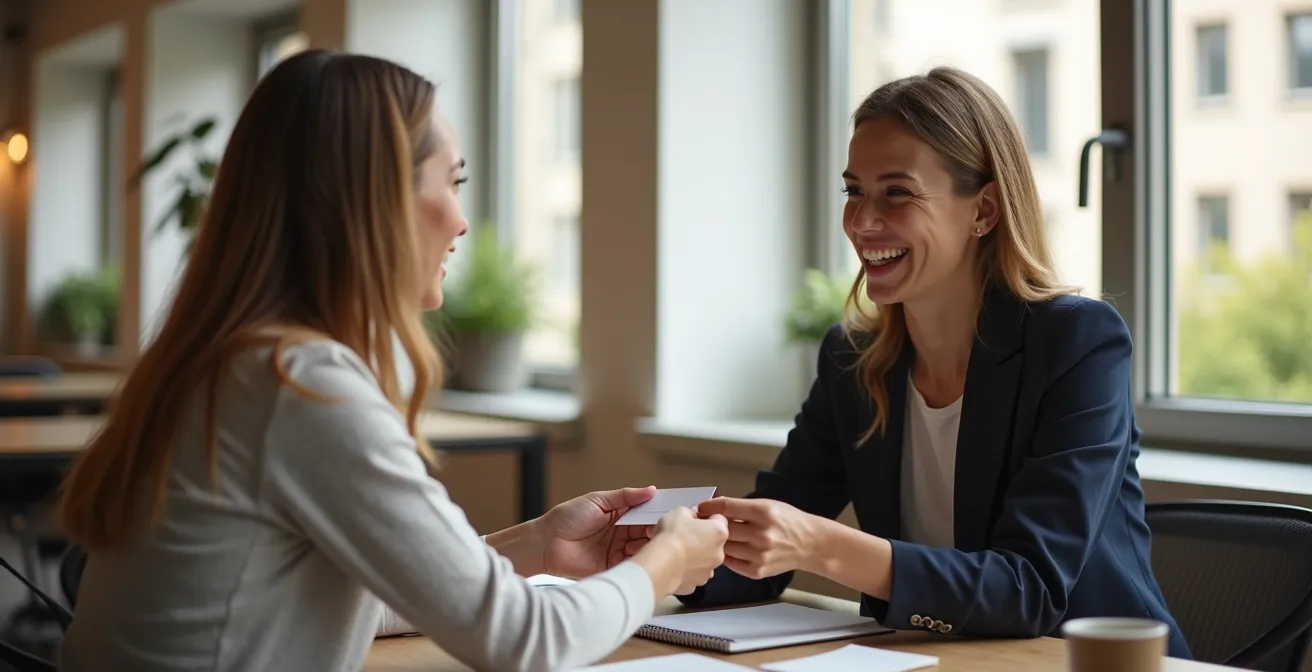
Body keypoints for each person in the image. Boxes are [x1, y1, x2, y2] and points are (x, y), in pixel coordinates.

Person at [54, 49, 728, 672]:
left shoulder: (229, 362)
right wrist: (666, 562)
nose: (463, 222)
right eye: (451, 182)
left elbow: (340, 596)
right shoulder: (302, 385)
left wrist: (534, 546)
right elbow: (528, 641)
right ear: (374, 199)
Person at [633, 67, 1191, 658]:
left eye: (897, 192)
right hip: (932, 659)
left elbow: (1029, 589)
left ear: (984, 210)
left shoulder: (1078, 343)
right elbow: (762, 555)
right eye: (853, 191)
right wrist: (657, 558)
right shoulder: (852, 359)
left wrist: (820, 546)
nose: (862, 220)